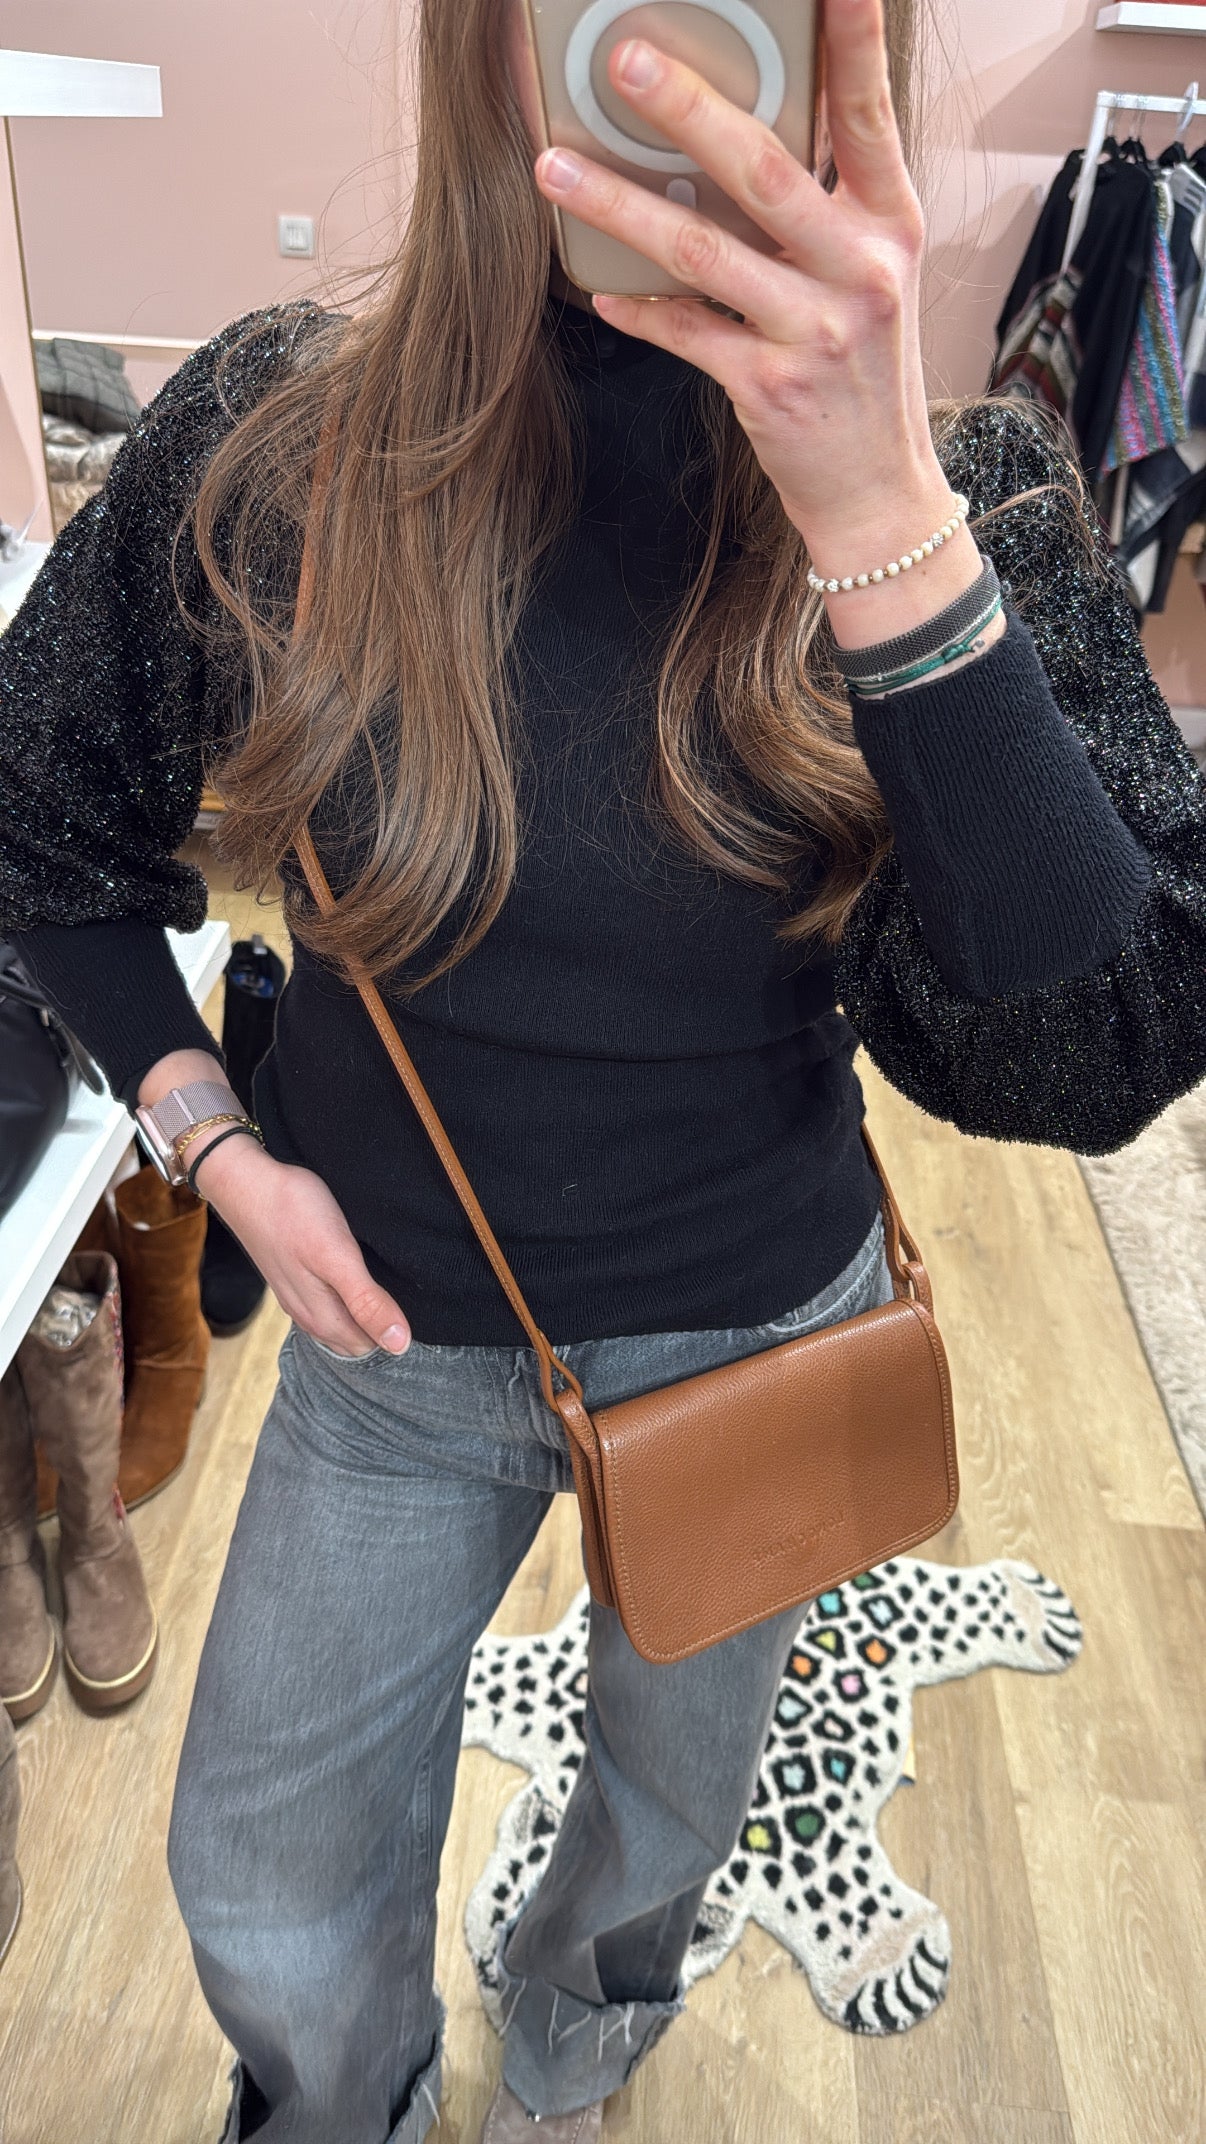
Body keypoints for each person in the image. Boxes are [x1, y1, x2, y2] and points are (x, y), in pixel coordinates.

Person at [2, 1, 1205, 2138]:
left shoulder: (968, 509)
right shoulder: (274, 448)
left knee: (674, 1804)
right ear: (488, 37)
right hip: (384, 1347)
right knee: (259, 1868)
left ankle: (583, 2023)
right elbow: (38, 823)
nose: (662, 55)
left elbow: (1090, 1049)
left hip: (759, 1333)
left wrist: (874, 512)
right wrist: (213, 1143)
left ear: (841, 44)